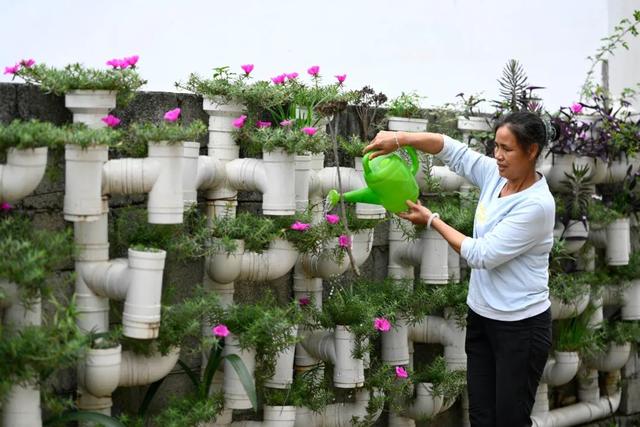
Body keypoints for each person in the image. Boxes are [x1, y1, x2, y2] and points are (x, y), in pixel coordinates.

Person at [364, 111, 556, 427]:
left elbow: (483, 254)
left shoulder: (536, 205)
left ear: (531, 150)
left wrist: (431, 220)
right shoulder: (497, 177)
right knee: (481, 417)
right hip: (482, 317)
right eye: (495, 146)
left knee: (509, 420)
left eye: (507, 149)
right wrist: (398, 139)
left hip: (521, 328)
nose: (498, 156)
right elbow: (453, 151)